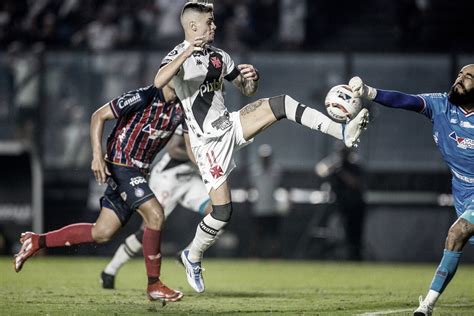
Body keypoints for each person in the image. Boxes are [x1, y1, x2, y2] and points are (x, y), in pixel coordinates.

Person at [153, 0, 369, 293]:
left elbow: (245, 89)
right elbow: (159, 81)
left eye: (213, 22)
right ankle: (192, 255)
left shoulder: (219, 57)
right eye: (209, 22)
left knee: (281, 104)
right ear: (193, 27)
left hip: (229, 126)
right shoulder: (178, 55)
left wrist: (251, 79)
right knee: (222, 212)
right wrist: (188, 50)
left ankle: (342, 131)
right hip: (207, 145)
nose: (214, 26)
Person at [13, 84, 186, 302]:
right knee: (156, 215)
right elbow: (98, 116)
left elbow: (192, 141)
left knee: (102, 232)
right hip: (121, 164)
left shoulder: (182, 107)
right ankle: (154, 284)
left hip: (138, 170)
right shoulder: (144, 96)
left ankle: (36, 241)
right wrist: (96, 156)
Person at [348, 64, 474, 316]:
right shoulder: (441, 105)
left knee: (456, 233)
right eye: (460, 74)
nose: (459, 79)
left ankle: (426, 305)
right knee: (459, 235)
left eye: (468, 77)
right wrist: (370, 92)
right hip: (462, 191)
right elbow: (406, 101)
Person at [100, 129, 212, 289]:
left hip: (189, 177)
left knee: (219, 212)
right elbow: (173, 149)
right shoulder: (186, 115)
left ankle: (188, 254)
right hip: (168, 178)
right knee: (148, 229)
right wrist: (200, 159)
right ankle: (110, 271)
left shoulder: (213, 117)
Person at [315, 143, 366, 260]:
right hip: (340, 204)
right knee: (335, 232)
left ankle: (355, 258)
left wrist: (341, 172)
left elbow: (355, 183)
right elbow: (320, 170)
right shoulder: (335, 164)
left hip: (355, 205)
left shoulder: (355, 164)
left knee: (354, 234)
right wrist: (333, 167)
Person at [248, 144, 285, 258]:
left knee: (273, 235)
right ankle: (255, 255)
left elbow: (281, 185)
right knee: (257, 234)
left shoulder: (276, 170)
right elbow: (250, 186)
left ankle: (275, 256)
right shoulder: (254, 170)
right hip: (258, 208)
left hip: (272, 208)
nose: (265, 159)